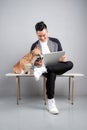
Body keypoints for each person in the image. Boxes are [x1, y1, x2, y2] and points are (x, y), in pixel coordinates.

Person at [31, 21, 73, 115]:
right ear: (36, 34)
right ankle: (51, 102)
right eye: (39, 36)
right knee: (51, 73)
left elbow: (60, 55)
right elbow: (34, 63)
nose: (42, 38)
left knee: (70, 63)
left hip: (56, 66)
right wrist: (38, 64)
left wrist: (62, 59)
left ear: (47, 32)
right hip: (43, 69)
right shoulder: (34, 46)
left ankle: (47, 68)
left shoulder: (56, 41)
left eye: (44, 35)